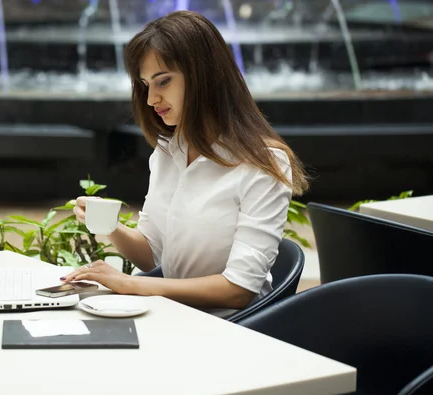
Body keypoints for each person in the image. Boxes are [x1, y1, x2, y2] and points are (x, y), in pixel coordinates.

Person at [61, 10, 309, 315]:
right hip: (173, 317)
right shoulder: (168, 152)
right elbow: (152, 256)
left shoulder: (264, 163)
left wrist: (133, 285)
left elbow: (239, 291)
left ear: (205, 76)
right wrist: (110, 226)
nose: (151, 99)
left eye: (163, 82)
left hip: (234, 330)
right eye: (145, 85)